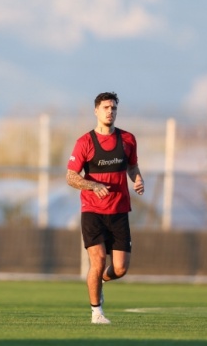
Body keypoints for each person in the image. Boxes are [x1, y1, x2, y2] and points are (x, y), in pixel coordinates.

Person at [66, 91, 144, 324]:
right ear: (96, 111)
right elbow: (71, 177)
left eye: (114, 108)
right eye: (106, 108)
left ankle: (98, 281)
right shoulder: (85, 142)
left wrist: (137, 179)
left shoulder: (128, 139)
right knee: (97, 261)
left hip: (119, 211)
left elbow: (132, 167)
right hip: (93, 211)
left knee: (120, 268)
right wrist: (92, 185)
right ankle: (96, 312)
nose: (110, 112)